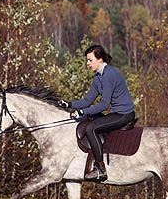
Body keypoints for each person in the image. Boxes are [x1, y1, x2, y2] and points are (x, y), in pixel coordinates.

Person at [58, 45, 135, 181]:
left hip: (124, 115)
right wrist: (69, 104)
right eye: (87, 60)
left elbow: (104, 104)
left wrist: (81, 112)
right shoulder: (98, 77)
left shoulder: (109, 75)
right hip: (115, 113)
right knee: (88, 118)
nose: (87, 64)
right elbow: (87, 100)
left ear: (99, 60)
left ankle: (100, 169)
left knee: (91, 128)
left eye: (90, 60)